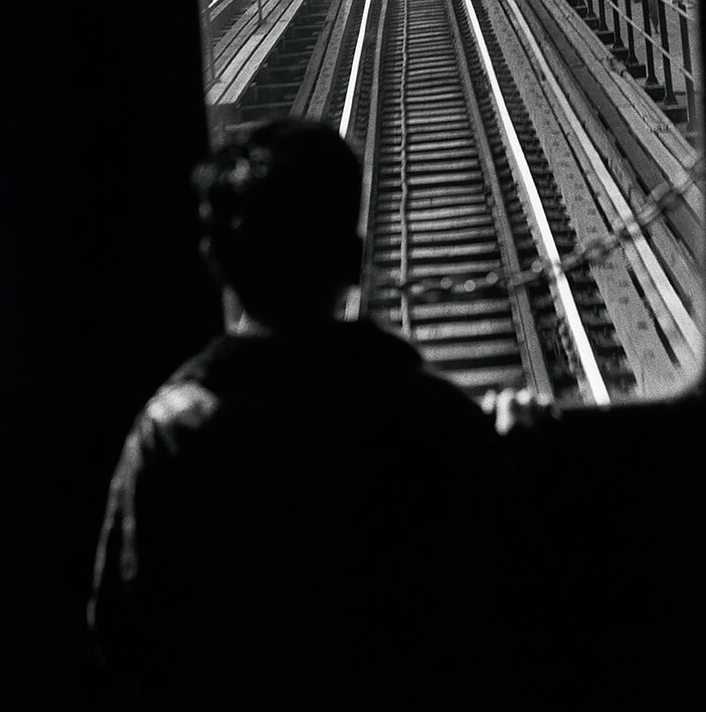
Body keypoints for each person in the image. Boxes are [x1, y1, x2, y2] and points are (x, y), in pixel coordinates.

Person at [89, 120, 538, 711]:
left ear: (216, 262)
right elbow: (508, 600)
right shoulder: (433, 418)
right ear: (353, 261)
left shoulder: (174, 434)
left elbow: (125, 633)